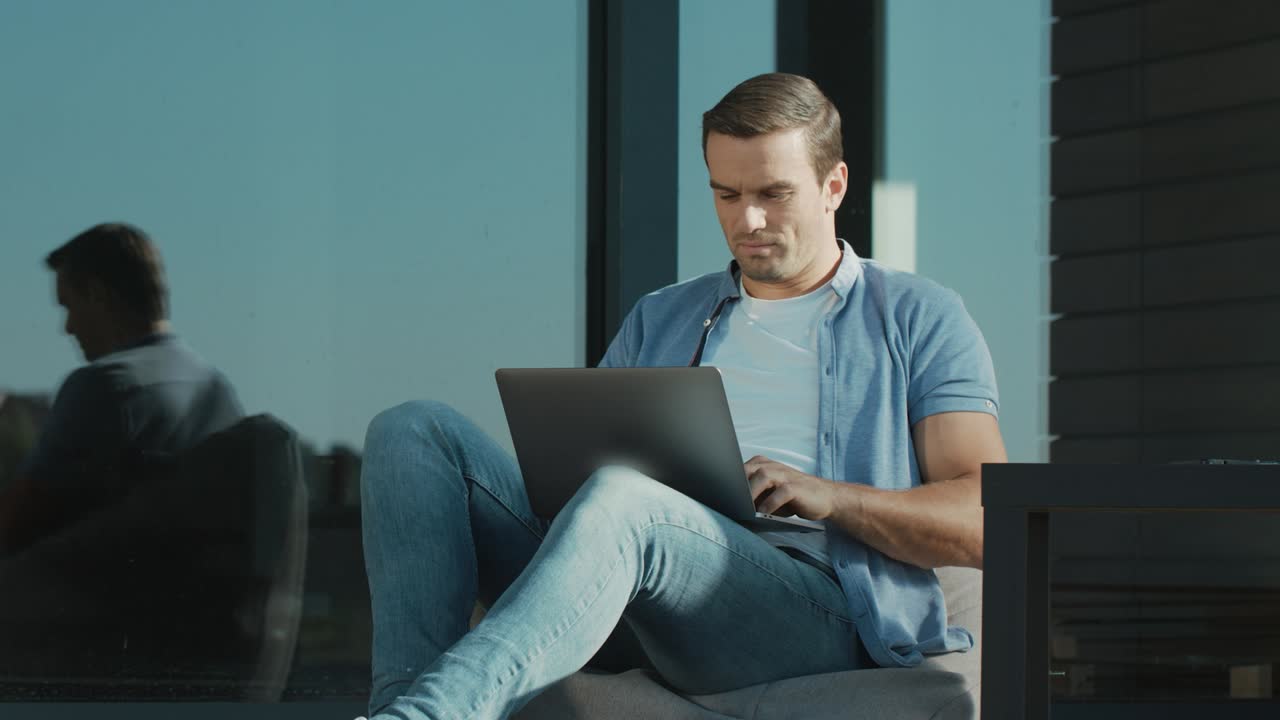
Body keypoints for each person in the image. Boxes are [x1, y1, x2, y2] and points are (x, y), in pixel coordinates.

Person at [358, 73, 1007, 720]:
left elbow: (987, 520)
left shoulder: (917, 315)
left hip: (810, 615)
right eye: (726, 194)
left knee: (628, 498)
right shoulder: (662, 317)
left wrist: (832, 497)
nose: (747, 220)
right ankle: (401, 703)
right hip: (629, 587)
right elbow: (580, 486)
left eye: (773, 194)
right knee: (415, 432)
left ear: (833, 185)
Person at [0, 222, 243, 554]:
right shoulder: (219, 393)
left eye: (68, 306)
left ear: (98, 295)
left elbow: (14, 527)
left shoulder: (104, 385)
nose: (67, 328)